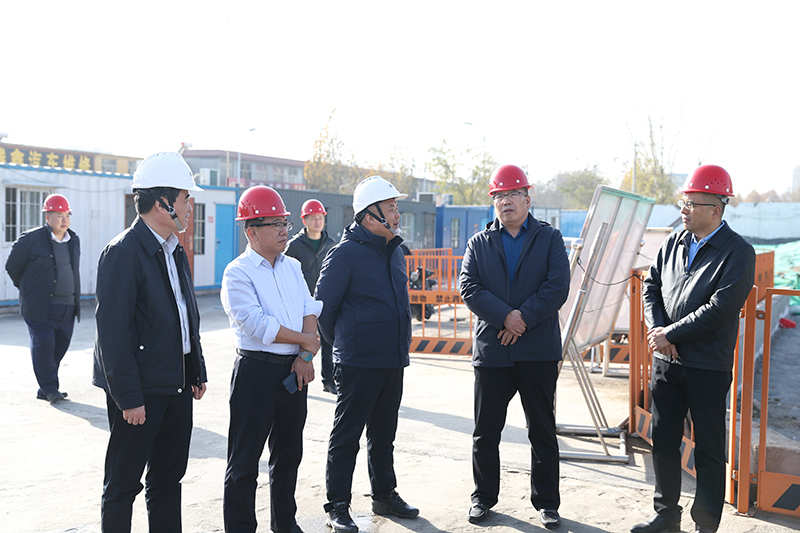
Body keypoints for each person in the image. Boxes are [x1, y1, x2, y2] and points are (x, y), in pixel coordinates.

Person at [631, 165, 755, 533]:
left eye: (691, 204)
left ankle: (706, 525)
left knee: (709, 448)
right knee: (663, 440)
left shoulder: (738, 252)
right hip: (666, 361)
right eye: (682, 202)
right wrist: (658, 331)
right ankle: (666, 516)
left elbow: (721, 308)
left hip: (707, 365)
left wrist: (671, 334)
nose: (683, 209)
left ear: (716, 209)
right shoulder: (674, 242)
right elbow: (651, 286)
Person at [93, 152, 208, 533]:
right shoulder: (123, 253)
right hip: (140, 391)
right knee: (123, 484)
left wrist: (195, 369)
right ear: (162, 203)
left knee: (167, 480)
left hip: (176, 384)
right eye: (185, 198)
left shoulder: (174, 249)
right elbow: (113, 335)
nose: (190, 206)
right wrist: (129, 398)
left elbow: (185, 316)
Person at [459, 164, 570, 530]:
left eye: (513, 194)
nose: (506, 201)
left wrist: (522, 318)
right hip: (493, 352)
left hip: (537, 351)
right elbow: (469, 287)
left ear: (527, 198)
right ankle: (482, 497)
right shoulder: (479, 243)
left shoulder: (549, 238)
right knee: (486, 432)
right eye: (499, 196)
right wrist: (505, 317)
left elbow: (557, 285)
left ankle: (547, 503)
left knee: (542, 431)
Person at [315, 176, 418, 532]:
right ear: (369, 216)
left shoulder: (395, 252)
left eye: (396, 207)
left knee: (384, 435)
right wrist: (347, 344)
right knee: (347, 438)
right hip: (357, 362)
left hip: (392, 359)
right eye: (391, 207)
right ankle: (337, 505)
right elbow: (323, 311)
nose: (397, 214)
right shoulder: (344, 254)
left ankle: (384, 494)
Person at [221, 186, 322, 533]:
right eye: (275, 224)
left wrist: (305, 354)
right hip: (256, 372)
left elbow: (309, 309)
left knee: (288, 456)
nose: (284, 231)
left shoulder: (292, 266)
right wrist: (304, 341)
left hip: (295, 370)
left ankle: (285, 524)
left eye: (285, 223)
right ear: (251, 231)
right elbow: (256, 324)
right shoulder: (238, 272)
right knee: (244, 461)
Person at [5, 193, 80, 404]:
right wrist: (27, 289)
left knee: (60, 347)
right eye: (59, 215)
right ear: (47, 217)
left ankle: (45, 387)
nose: (64, 220)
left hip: (67, 306)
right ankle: (50, 388)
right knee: (44, 347)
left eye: (67, 215)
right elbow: (12, 267)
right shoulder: (31, 239)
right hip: (40, 307)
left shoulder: (74, 240)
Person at [285, 198, 338, 394]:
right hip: (300, 303)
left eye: (320, 217)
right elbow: (284, 272)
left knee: (328, 342)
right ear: (304, 220)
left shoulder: (332, 245)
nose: (317, 221)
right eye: (313, 218)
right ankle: (295, 379)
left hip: (324, 302)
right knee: (299, 341)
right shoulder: (294, 246)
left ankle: (328, 381)